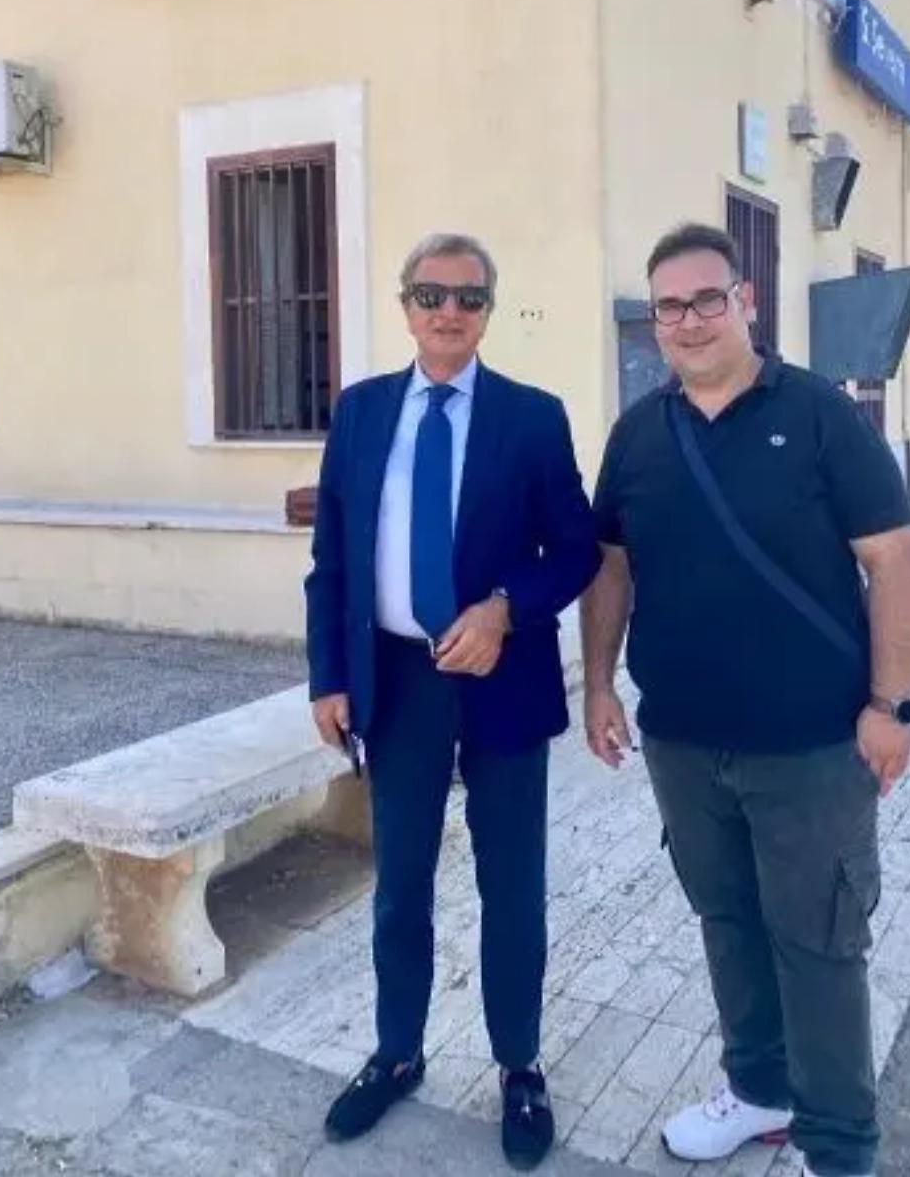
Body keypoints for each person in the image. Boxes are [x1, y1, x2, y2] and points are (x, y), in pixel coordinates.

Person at [580, 223, 910, 1177]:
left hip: (812, 747)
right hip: (684, 745)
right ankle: (761, 1091)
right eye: (668, 307)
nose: (687, 321)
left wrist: (892, 707)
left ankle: (840, 1145)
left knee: (817, 946)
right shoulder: (640, 433)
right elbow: (610, 563)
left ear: (745, 301)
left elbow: (892, 558)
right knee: (727, 923)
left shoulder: (819, 415)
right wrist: (599, 682)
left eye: (705, 299)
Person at [307, 232, 600, 1171]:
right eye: (430, 294)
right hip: (396, 685)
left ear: (488, 312)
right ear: (404, 305)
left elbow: (578, 550)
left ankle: (519, 1066)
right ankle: (396, 1054)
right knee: (400, 888)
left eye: (468, 299)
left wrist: (507, 608)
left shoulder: (532, 417)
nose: (447, 311)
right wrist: (329, 676)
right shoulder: (358, 415)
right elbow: (332, 563)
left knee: (511, 887)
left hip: (501, 683)